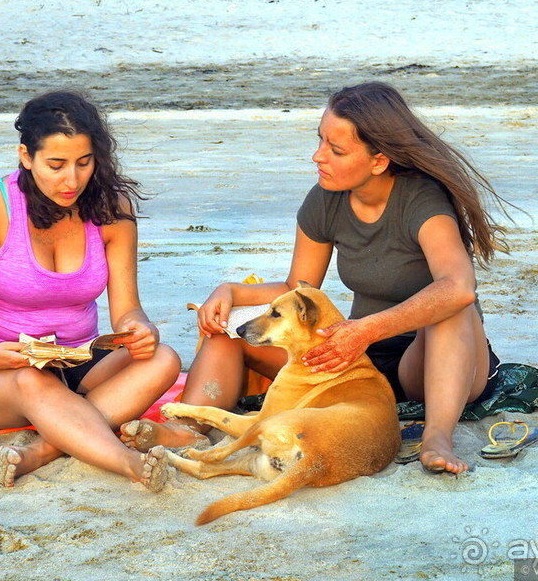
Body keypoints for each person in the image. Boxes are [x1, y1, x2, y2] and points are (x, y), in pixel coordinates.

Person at [121, 81, 510, 474]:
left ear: (379, 161)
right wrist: (231, 291)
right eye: (320, 141)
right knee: (232, 335)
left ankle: (437, 437)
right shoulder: (326, 198)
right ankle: (185, 427)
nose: (317, 156)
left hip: (434, 363)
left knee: (450, 308)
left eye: (335, 150)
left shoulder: (422, 200)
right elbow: (297, 288)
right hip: (360, 364)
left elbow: (459, 287)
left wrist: (368, 329)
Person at [0, 90, 180, 490]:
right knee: (32, 381)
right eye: (56, 165)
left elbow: (127, 310)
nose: (71, 180)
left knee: (163, 359)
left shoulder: (112, 209)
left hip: (79, 362)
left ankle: (44, 449)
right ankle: (127, 462)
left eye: (83, 163)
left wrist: (140, 330)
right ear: (27, 157)